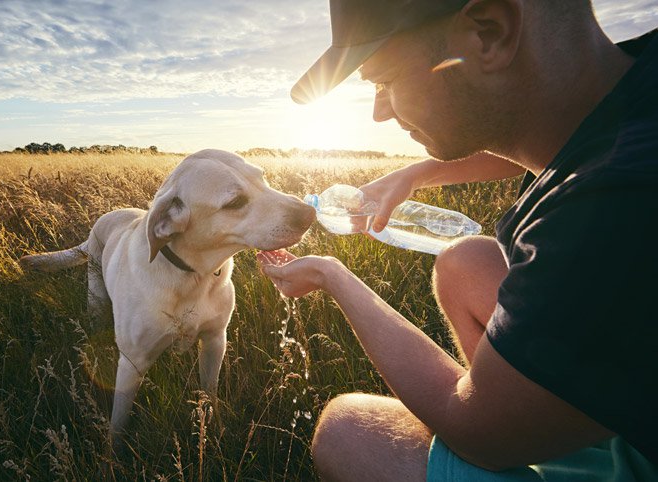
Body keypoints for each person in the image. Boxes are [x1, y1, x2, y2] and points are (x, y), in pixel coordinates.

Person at [257, 0, 658, 480]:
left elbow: (477, 433)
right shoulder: (631, 83)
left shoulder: (614, 208)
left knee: (347, 431)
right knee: (464, 261)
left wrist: (332, 275)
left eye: (384, 82)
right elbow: (560, 129)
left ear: (488, 33)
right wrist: (419, 173)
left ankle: (525, 420)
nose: (380, 113)